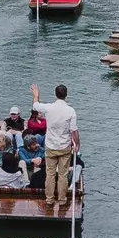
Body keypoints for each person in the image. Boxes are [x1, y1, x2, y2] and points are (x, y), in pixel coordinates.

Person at [34, 82, 79, 210]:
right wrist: (77, 144)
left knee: (50, 174)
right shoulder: (71, 111)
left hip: (51, 146)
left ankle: (49, 200)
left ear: (55, 95)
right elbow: (74, 131)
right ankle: (62, 200)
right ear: (66, 96)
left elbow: (35, 105)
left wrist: (36, 95)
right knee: (63, 175)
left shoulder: (49, 108)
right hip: (64, 147)